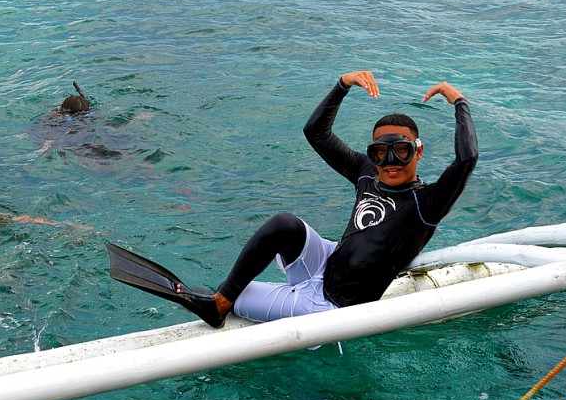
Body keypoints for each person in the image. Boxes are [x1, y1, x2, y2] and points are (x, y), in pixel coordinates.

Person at [107, 71, 477, 328]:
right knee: (284, 225)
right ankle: (223, 301)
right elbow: (315, 132)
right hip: (327, 262)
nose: (390, 162)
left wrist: (458, 101)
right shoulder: (368, 173)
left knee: (235, 295)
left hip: (332, 304)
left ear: (418, 151)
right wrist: (341, 85)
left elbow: (466, 159)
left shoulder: (426, 204)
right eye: (380, 152)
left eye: (401, 151)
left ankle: (221, 306)